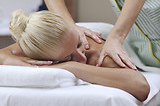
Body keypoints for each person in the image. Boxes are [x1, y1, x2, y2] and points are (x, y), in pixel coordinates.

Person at [8, 9, 149, 102]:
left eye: (78, 45)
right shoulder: (38, 42)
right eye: (68, 57)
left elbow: (141, 87)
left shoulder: (100, 55)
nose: (82, 58)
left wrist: (70, 65)